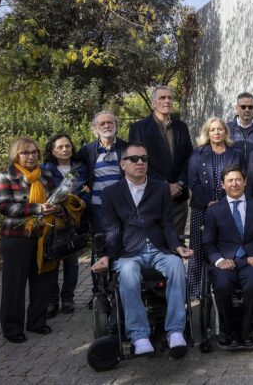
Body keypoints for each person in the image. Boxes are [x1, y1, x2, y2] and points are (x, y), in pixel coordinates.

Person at [91, 142, 194, 358]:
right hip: (129, 251)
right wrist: (107, 256)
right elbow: (112, 228)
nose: (140, 163)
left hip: (158, 248)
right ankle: (139, 335)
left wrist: (177, 246)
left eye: (144, 159)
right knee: (127, 274)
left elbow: (167, 223)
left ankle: (175, 331)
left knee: (176, 266)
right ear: (122, 164)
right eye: (134, 159)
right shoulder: (111, 193)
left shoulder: (160, 188)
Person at [0, 137, 60, 343]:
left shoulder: (46, 175)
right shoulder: (5, 176)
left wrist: (57, 205)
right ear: (16, 155)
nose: (31, 156)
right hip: (16, 238)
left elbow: (57, 198)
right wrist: (36, 208)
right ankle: (12, 328)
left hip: (44, 235)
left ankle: (37, 322)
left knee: (43, 282)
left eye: (34, 152)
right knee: (14, 285)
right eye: (25, 153)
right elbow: (4, 207)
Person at [202, 164, 253, 347]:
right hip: (224, 262)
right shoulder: (213, 210)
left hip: (251, 261)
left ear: (245, 182)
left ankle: (246, 329)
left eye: (237, 180)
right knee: (222, 285)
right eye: (229, 181)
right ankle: (230, 330)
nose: (234, 184)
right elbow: (208, 243)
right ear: (222, 185)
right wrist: (219, 261)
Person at [186, 117, 244, 298]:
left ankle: (226, 284)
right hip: (202, 208)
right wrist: (208, 202)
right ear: (207, 133)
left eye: (220, 129)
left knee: (226, 244)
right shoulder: (197, 153)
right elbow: (193, 181)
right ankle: (195, 289)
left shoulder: (235, 153)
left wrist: (224, 202)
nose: (217, 132)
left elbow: (239, 180)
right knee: (198, 247)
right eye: (213, 130)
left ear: (225, 132)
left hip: (228, 208)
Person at [128, 86, 193, 236]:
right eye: (162, 98)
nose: (167, 101)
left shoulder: (181, 127)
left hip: (178, 196)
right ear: (153, 103)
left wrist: (180, 183)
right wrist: (164, 185)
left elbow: (189, 158)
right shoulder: (139, 128)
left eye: (170, 98)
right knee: (153, 243)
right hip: (151, 194)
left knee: (177, 243)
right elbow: (137, 161)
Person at [41, 133, 87, 318]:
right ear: (52, 150)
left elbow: (86, 189)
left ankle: (68, 298)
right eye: (59, 147)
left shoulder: (81, 167)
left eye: (67, 146)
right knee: (52, 261)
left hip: (74, 219)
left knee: (71, 261)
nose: (64, 149)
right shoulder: (45, 169)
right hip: (52, 221)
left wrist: (76, 204)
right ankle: (52, 301)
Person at [77, 111, 128, 234]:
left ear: (116, 126)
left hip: (124, 205)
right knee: (102, 243)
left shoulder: (127, 147)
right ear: (95, 128)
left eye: (110, 122)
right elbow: (79, 175)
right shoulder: (86, 151)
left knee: (126, 242)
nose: (106, 126)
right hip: (98, 207)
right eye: (102, 123)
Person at [227, 92, 253, 168]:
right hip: (233, 176)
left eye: (250, 107)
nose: (247, 110)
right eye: (243, 107)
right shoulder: (226, 129)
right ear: (236, 108)